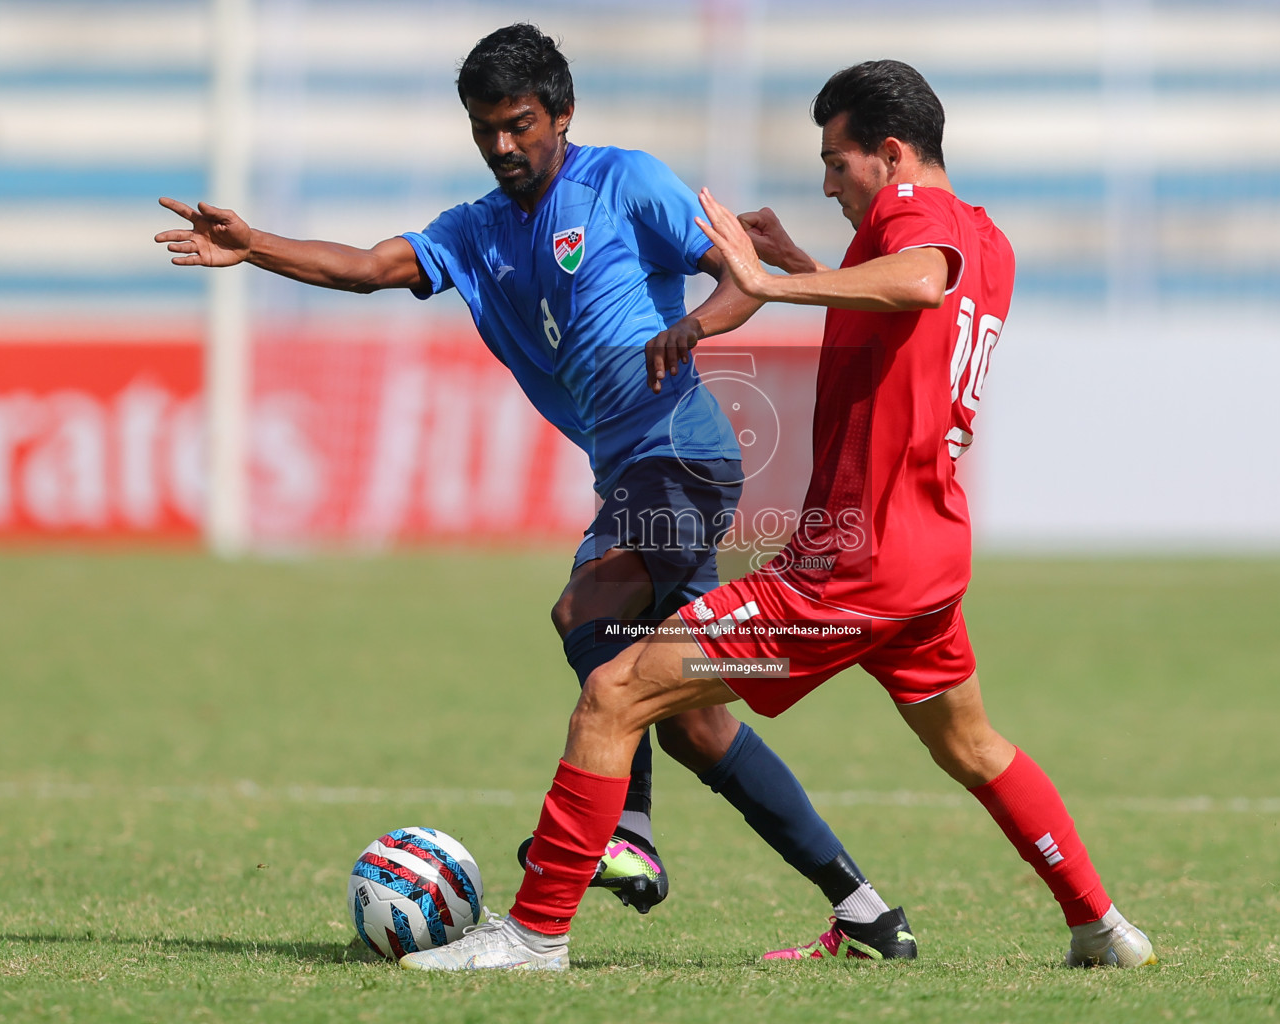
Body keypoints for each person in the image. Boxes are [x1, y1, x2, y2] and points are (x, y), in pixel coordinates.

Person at [155, 24, 913, 957]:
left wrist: (695, 331)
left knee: (581, 616)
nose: (504, 146)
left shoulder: (626, 182)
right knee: (695, 724)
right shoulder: (474, 234)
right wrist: (255, 245)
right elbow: (366, 267)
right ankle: (864, 909)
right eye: (486, 131)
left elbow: (742, 278)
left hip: (679, 457)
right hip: (632, 473)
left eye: (519, 125)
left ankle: (623, 836)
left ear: (561, 115)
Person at [400, 59, 1158, 973]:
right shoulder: (987, 237)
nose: (829, 183)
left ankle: (535, 935)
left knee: (616, 693)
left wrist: (764, 280)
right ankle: (1101, 927)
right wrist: (804, 265)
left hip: (848, 575)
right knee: (973, 746)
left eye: (837, 164)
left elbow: (915, 282)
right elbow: (908, 310)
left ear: (889, 154)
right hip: (925, 566)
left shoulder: (912, 221)